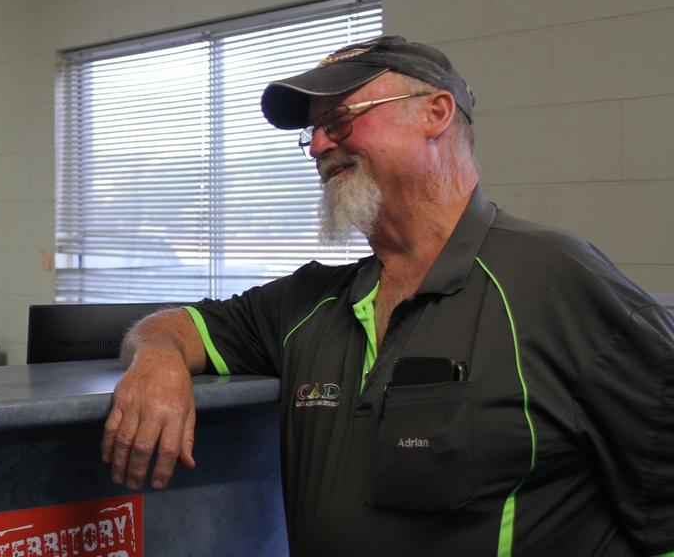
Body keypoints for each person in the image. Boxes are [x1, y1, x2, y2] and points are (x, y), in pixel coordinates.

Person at [101, 36, 673, 556]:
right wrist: (156, 359)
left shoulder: (553, 280)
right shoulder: (310, 302)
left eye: (342, 118)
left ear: (436, 113)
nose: (319, 145)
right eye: (314, 129)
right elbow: (179, 326)